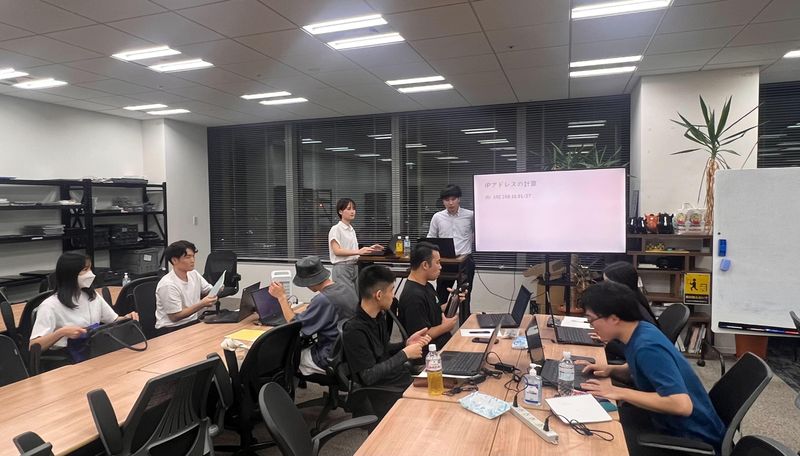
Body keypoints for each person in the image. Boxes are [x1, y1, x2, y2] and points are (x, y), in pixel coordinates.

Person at [578, 281, 725, 455]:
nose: (591, 325)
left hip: (689, 436)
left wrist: (619, 392)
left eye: (591, 319)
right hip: (666, 422)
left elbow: (681, 405)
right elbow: (644, 367)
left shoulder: (648, 348)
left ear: (614, 318)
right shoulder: (640, 330)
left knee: (594, 441)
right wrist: (612, 369)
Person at [342, 265, 431, 417]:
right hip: (384, 390)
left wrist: (405, 344)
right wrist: (404, 354)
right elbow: (368, 376)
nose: (393, 296)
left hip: (397, 378)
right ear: (378, 295)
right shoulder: (354, 330)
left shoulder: (378, 316)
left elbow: (383, 349)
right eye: (391, 290)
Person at [30, 252, 138, 353]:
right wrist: (61, 333)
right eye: (85, 270)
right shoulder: (50, 306)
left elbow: (113, 320)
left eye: (90, 269)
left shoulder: (92, 295)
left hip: (93, 349)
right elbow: (33, 345)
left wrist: (126, 318)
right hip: (67, 355)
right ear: (70, 274)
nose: (90, 274)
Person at [268, 256, 358, 376]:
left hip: (331, 356)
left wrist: (281, 297)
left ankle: (288, 386)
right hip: (350, 352)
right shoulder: (345, 288)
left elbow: (295, 326)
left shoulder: (323, 299)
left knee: (288, 358)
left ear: (309, 282)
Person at [398, 242, 461, 351]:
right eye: (437, 262)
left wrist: (454, 300)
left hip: (442, 343)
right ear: (425, 265)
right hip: (429, 354)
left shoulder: (427, 286)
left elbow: (433, 309)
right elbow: (420, 335)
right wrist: (445, 327)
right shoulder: (413, 297)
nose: (440, 267)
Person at [427, 184, 475, 310]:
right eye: (447, 200)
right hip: (445, 261)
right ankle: (440, 321)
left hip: (465, 261)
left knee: (465, 296)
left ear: (459, 199)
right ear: (443, 201)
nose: (451, 203)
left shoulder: (470, 215)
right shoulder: (437, 217)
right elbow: (431, 238)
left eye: (453, 199)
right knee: (441, 294)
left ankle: (464, 321)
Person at [155, 240, 218, 332]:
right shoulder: (168, 284)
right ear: (174, 260)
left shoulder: (193, 274)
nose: (192, 260)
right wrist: (201, 304)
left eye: (193, 256)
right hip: (171, 328)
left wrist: (216, 290)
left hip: (192, 322)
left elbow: (207, 290)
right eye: (188, 257)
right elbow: (175, 317)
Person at [602, 261, 658, 361]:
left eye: (607, 284)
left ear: (622, 285)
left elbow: (637, 350)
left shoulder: (633, 311)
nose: (604, 288)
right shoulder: (632, 300)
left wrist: (607, 342)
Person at [328, 198, 382, 293]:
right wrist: (358, 251)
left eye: (353, 209)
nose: (352, 211)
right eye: (349, 209)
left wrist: (370, 249)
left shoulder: (351, 229)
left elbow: (351, 249)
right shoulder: (336, 229)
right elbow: (337, 251)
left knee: (355, 298)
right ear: (340, 211)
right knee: (346, 299)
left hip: (354, 267)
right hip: (342, 268)